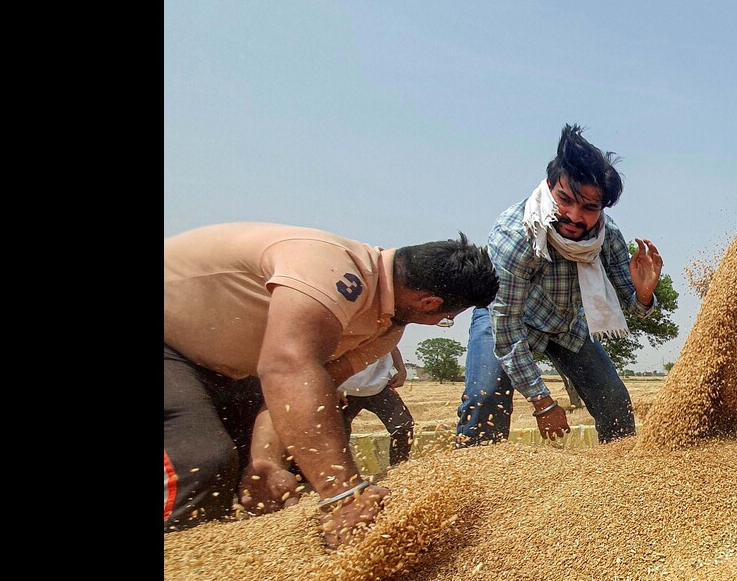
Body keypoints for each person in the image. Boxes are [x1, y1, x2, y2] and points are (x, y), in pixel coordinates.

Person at [164, 223, 498, 547]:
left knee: (287, 468)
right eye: (445, 319)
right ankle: (184, 580)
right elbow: (288, 369)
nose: (441, 323)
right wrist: (344, 494)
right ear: (430, 303)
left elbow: (306, 392)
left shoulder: (386, 329)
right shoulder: (330, 268)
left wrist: (265, 461)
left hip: (233, 371)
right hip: (174, 346)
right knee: (202, 465)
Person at [455, 124, 664, 448]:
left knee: (614, 401)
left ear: (603, 208)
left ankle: (623, 480)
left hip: (565, 325)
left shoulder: (607, 237)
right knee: (485, 398)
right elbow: (507, 331)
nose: (574, 216)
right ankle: (471, 482)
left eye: (589, 208)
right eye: (565, 199)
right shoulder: (516, 236)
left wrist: (644, 292)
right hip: (508, 319)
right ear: (550, 185)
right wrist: (543, 402)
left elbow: (636, 308)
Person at [340, 347, 414, 468]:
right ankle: (336, 477)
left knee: (403, 427)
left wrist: (401, 370)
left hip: (379, 385)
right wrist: (331, 385)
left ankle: (399, 470)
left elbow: (391, 343)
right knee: (335, 434)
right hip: (343, 389)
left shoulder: (385, 327)